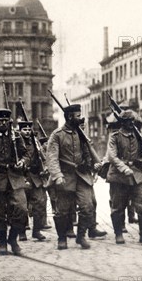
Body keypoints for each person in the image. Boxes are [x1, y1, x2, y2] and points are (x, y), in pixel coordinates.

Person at [46, 104, 100, 250]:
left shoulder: (81, 134)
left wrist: (92, 164)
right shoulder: (57, 135)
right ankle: (62, 238)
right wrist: (57, 175)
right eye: (77, 116)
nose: (80, 118)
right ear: (70, 117)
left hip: (82, 176)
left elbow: (88, 152)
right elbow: (52, 158)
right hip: (65, 177)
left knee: (88, 206)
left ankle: (81, 236)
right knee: (62, 211)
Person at [106, 110, 142, 244]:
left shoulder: (137, 136)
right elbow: (112, 156)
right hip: (118, 176)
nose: (131, 124)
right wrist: (124, 168)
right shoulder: (115, 136)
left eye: (133, 121)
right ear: (122, 122)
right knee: (118, 206)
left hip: (136, 175)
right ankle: (118, 234)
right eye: (128, 121)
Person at [0, 108, 30, 255]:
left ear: (9, 122)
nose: (3, 123)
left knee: (21, 209)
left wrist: (23, 161)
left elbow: (26, 153)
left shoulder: (16, 137)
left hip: (15, 178)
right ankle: (2, 243)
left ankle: (13, 239)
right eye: (0, 121)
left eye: (6, 121)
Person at [18, 121, 48, 241]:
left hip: (35, 176)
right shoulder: (16, 143)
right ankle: (21, 231)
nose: (27, 132)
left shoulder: (35, 143)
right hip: (21, 176)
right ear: (20, 131)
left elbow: (43, 157)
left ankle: (37, 230)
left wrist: (45, 167)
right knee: (21, 206)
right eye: (24, 130)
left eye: (28, 129)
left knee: (40, 203)